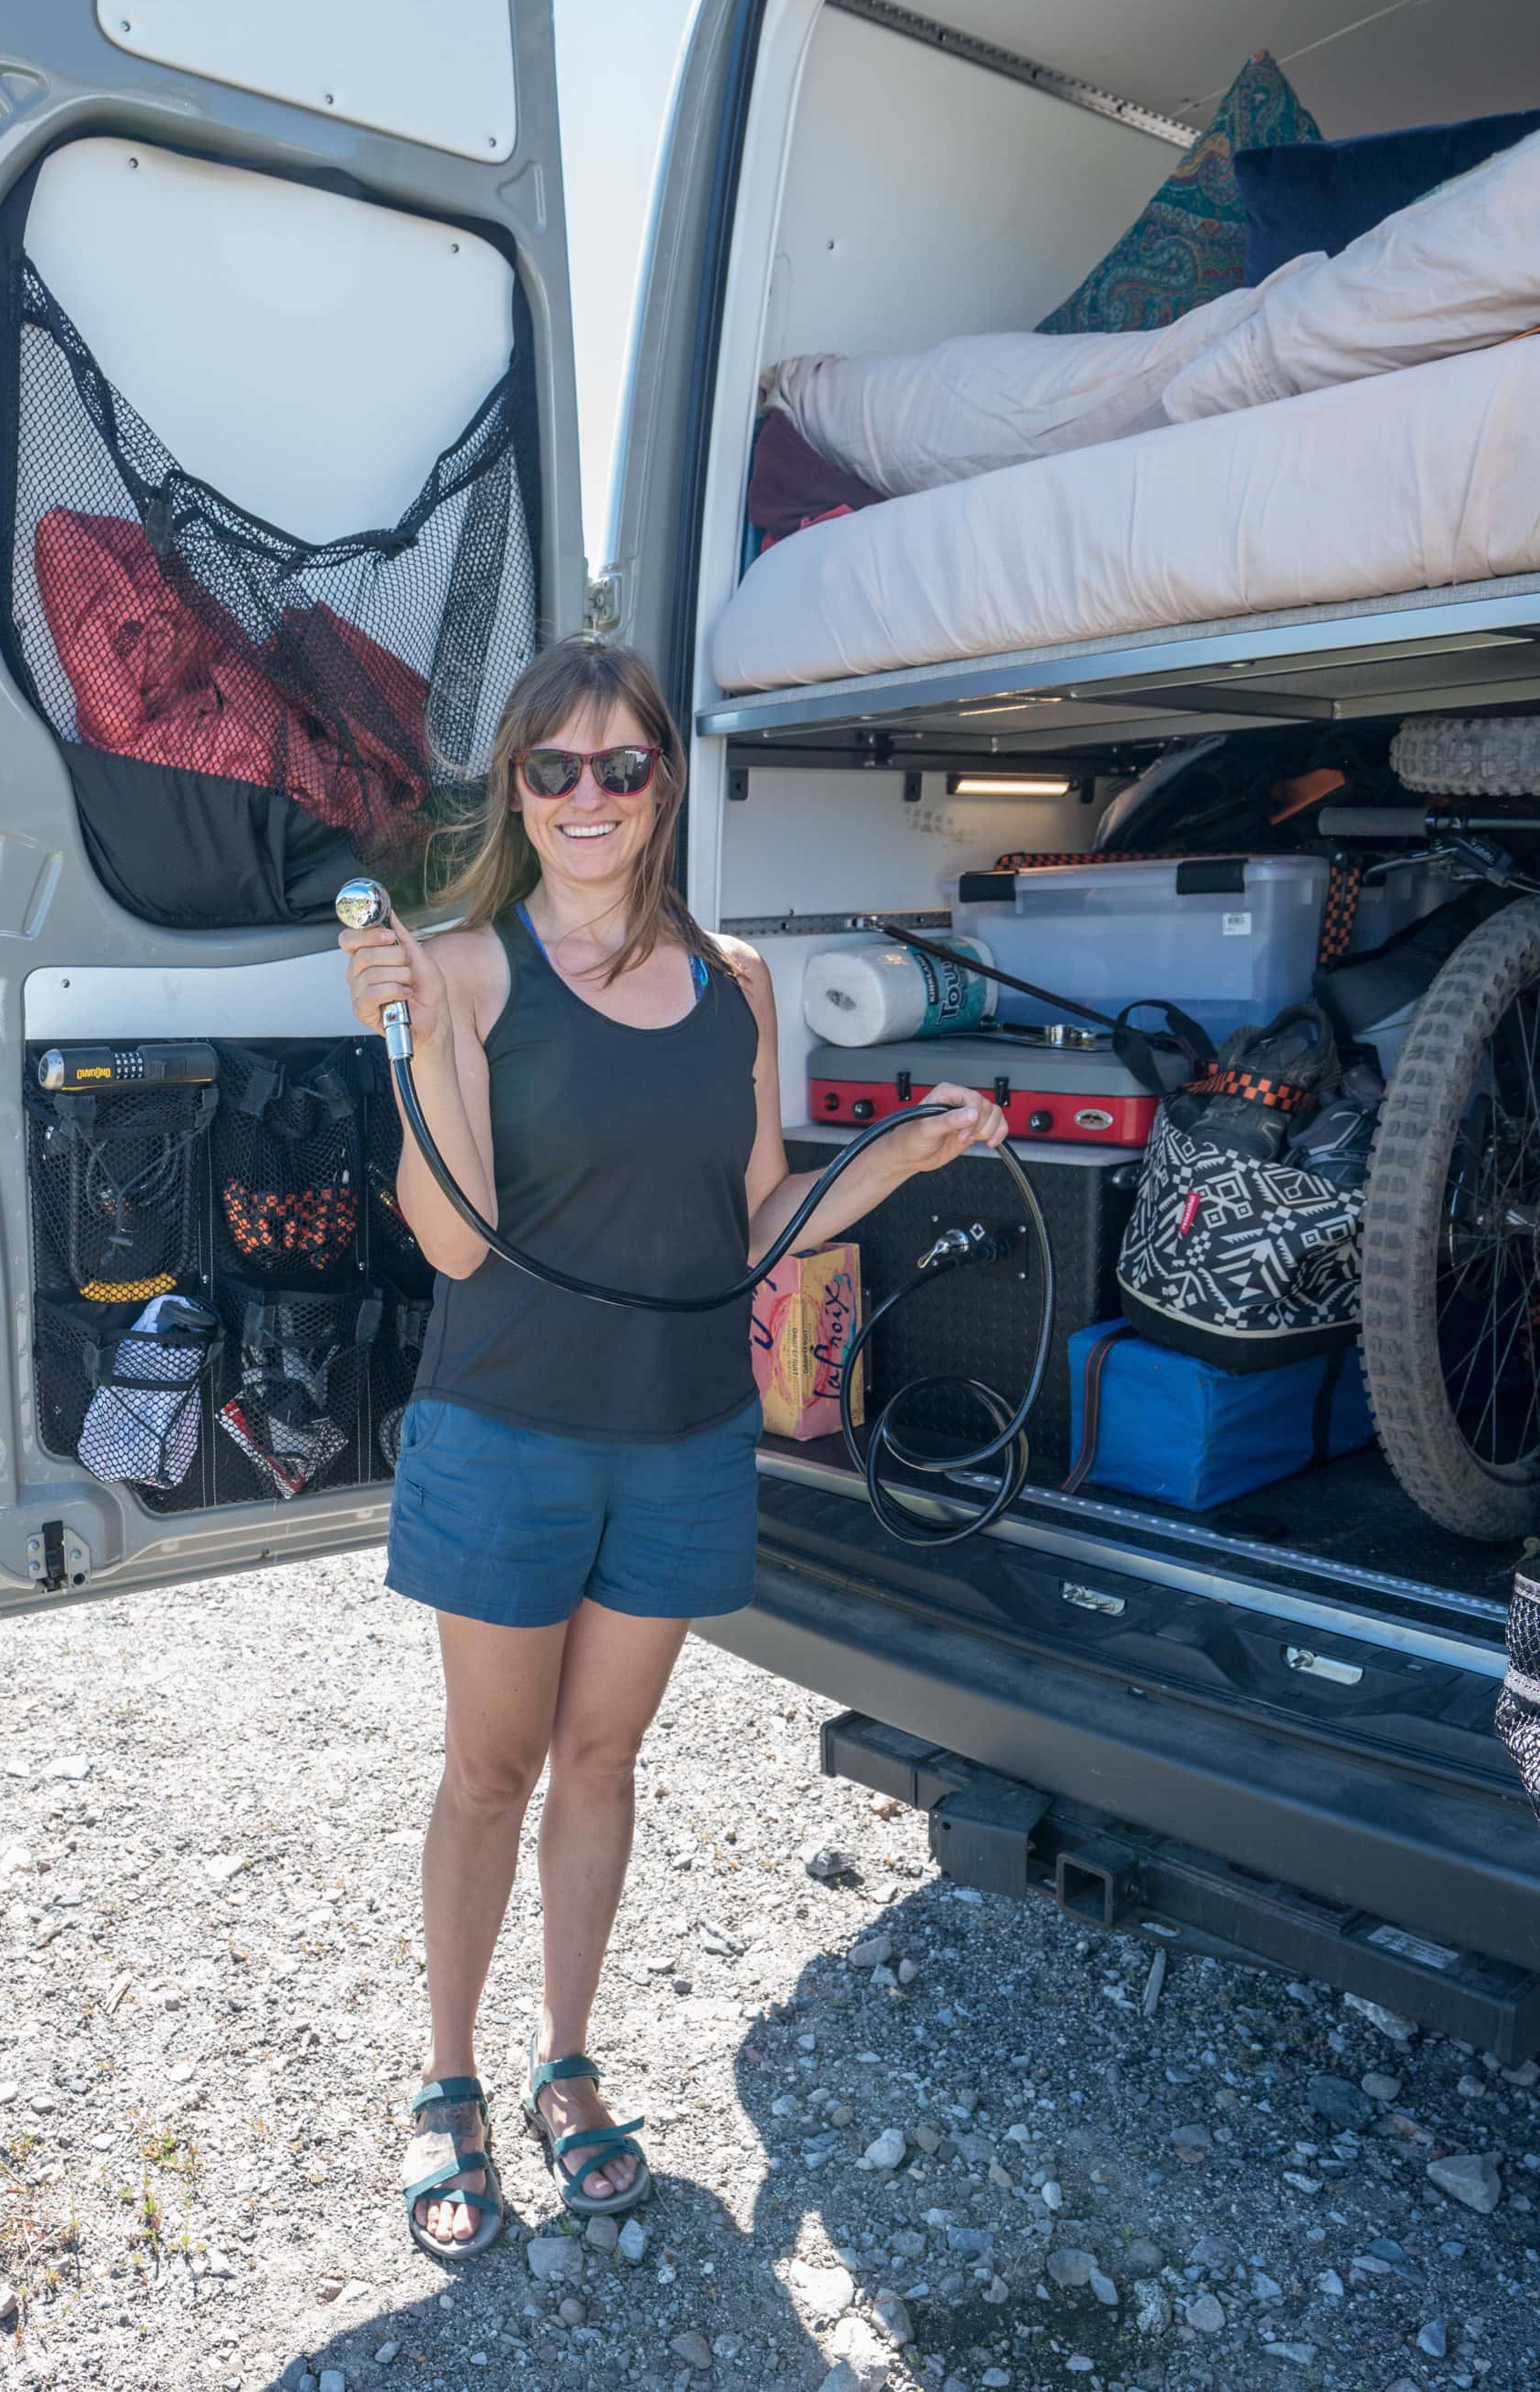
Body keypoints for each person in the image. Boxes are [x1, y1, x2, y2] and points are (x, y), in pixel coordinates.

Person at [340, 634, 1007, 2260]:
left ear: (663, 785)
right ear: (517, 784)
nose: (588, 795)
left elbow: (762, 1223)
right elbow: (453, 1240)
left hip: (683, 1434)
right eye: (553, 767)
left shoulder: (737, 983)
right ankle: (450, 2088)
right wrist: (418, 1040)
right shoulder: (465, 967)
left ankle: (567, 2066)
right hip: (506, 1434)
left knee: (602, 1764)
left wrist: (904, 1153)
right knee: (490, 1770)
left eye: (620, 766)